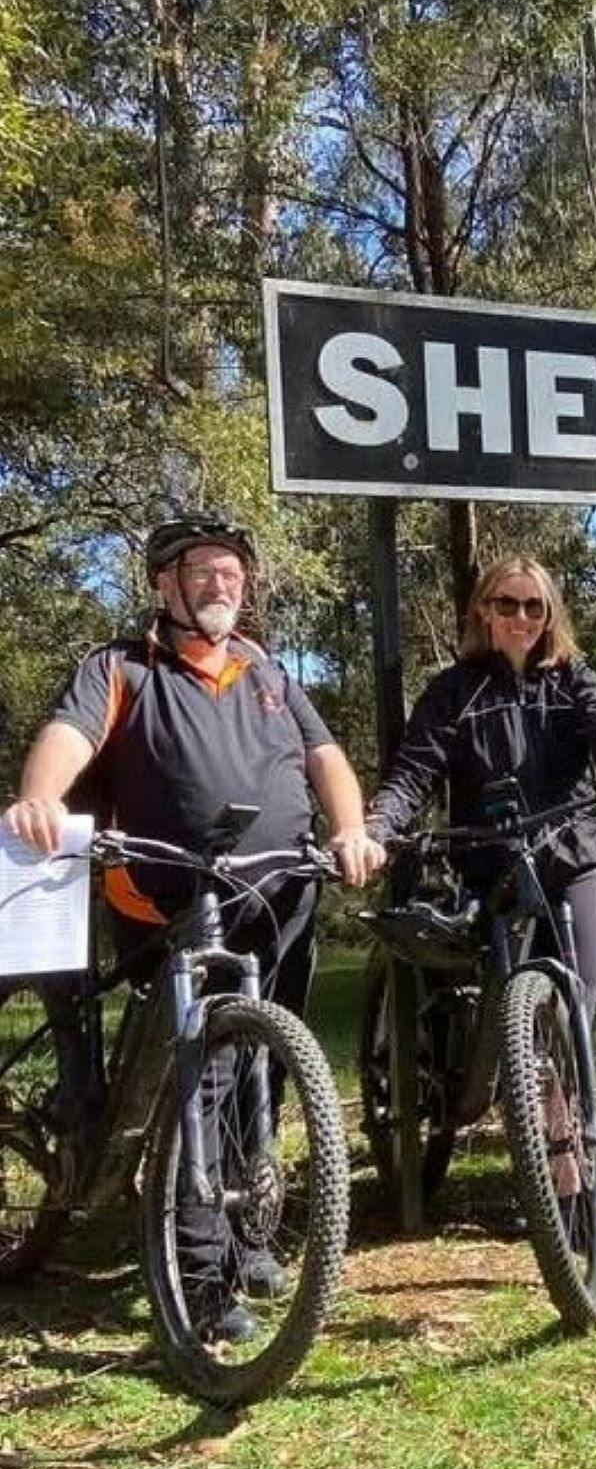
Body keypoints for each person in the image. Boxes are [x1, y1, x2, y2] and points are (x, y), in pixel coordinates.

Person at [2, 512, 386, 1339]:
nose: (223, 586)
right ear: (165, 585)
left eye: (233, 575)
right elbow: (66, 738)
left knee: (263, 1072)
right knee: (205, 1079)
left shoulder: (267, 671)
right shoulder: (121, 669)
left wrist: (350, 827)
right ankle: (201, 1277)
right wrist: (40, 796)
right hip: (168, 904)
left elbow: (326, 761)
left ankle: (249, 1234)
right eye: (206, 572)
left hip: (279, 899)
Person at [364, 553, 596, 1017]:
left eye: (535, 607)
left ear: (550, 615)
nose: (521, 618)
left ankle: (567, 1091)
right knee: (503, 1018)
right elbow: (414, 774)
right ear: (483, 610)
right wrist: (377, 828)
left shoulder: (573, 679)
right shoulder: (453, 691)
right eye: (507, 605)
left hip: (572, 858)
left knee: (576, 1013)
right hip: (492, 870)